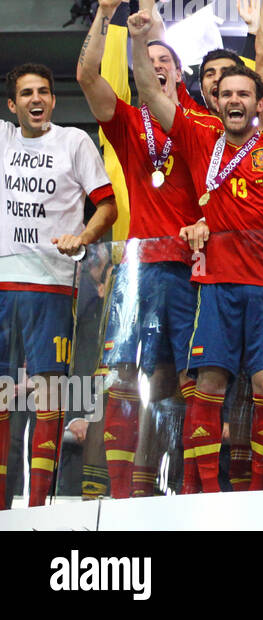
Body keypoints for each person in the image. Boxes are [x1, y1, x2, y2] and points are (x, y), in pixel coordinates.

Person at [129, 0, 263, 493]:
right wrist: (143, 38)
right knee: (208, 384)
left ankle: (258, 492)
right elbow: (150, 88)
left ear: (259, 104)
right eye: (228, 93)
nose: (236, 100)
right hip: (213, 284)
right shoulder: (197, 134)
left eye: (246, 94)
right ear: (217, 100)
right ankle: (209, 493)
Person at [76, 0, 204, 500]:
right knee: (122, 377)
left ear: (178, 73)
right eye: (147, 63)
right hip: (136, 267)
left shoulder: (203, 122)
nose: (155, 68)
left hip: (188, 270)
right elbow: (86, 77)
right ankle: (122, 497)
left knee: (175, 382)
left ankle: (164, 493)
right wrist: (105, 13)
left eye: (165, 62)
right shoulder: (127, 121)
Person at [0, 63, 116, 509]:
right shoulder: (5, 139)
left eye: (44, 92)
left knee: (49, 397)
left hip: (51, 284)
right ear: (12, 105)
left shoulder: (74, 142)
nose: (36, 99)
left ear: (53, 99)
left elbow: (107, 206)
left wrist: (82, 238)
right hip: (5, 284)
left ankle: (38, 510)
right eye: (26, 93)